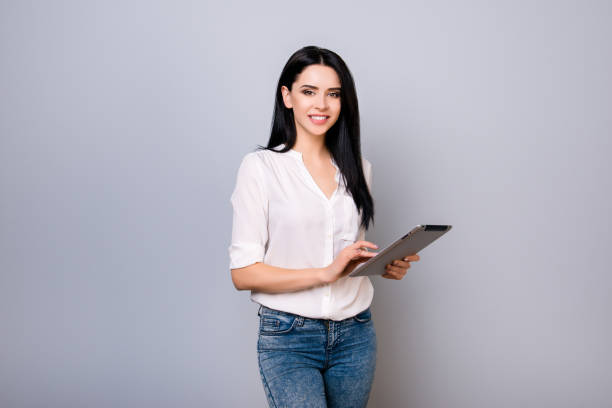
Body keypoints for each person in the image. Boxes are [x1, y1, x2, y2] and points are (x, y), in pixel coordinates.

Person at [228, 45, 420, 408]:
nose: (322, 105)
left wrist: (380, 267)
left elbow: (346, 256)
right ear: (287, 97)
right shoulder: (260, 168)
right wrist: (326, 273)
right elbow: (243, 273)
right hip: (289, 336)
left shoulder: (359, 168)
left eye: (333, 94)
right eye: (308, 92)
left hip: (356, 333)